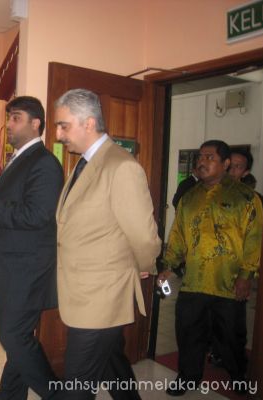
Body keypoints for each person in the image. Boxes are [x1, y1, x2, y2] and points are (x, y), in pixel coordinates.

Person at [53, 89, 161, 399]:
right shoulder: (86, 163)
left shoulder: (121, 166)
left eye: (63, 126)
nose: (59, 135)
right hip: (84, 291)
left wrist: (144, 265)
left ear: (88, 123)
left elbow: (144, 234)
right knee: (112, 364)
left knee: (76, 386)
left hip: (101, 296)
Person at [0, 96, 64, 400]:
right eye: (9, 118)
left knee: (12, 335)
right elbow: (4, 218)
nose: (8, 124)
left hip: (28, 269)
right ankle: (10, 395)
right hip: (10, 265)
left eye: (16, 118)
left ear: (36, 123)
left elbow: (37, 215)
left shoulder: (45, 163)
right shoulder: (18, 160)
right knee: (17, 335)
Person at [159, 140, 263, 396]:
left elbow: (254, 240)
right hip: (194, 281)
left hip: (228, 283)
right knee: (188, 332)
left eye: (209, 157)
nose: (202, 162)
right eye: (200, 157)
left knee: (230, 336)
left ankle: (238, 376)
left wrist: (246, 275)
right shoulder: (189, 197)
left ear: (225, 164)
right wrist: (168, 266)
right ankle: (188, 377)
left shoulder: (246, 197)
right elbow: (178, 236)